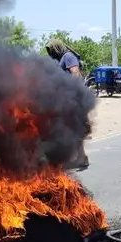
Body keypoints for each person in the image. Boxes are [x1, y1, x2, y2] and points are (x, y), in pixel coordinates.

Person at [44, 38, 90, 170]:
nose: (50, 52)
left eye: (51, 49)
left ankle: (80, 157)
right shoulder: (59, 60)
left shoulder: (68, 56)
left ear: (57, 48)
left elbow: (75, 74)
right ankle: (81, 157)